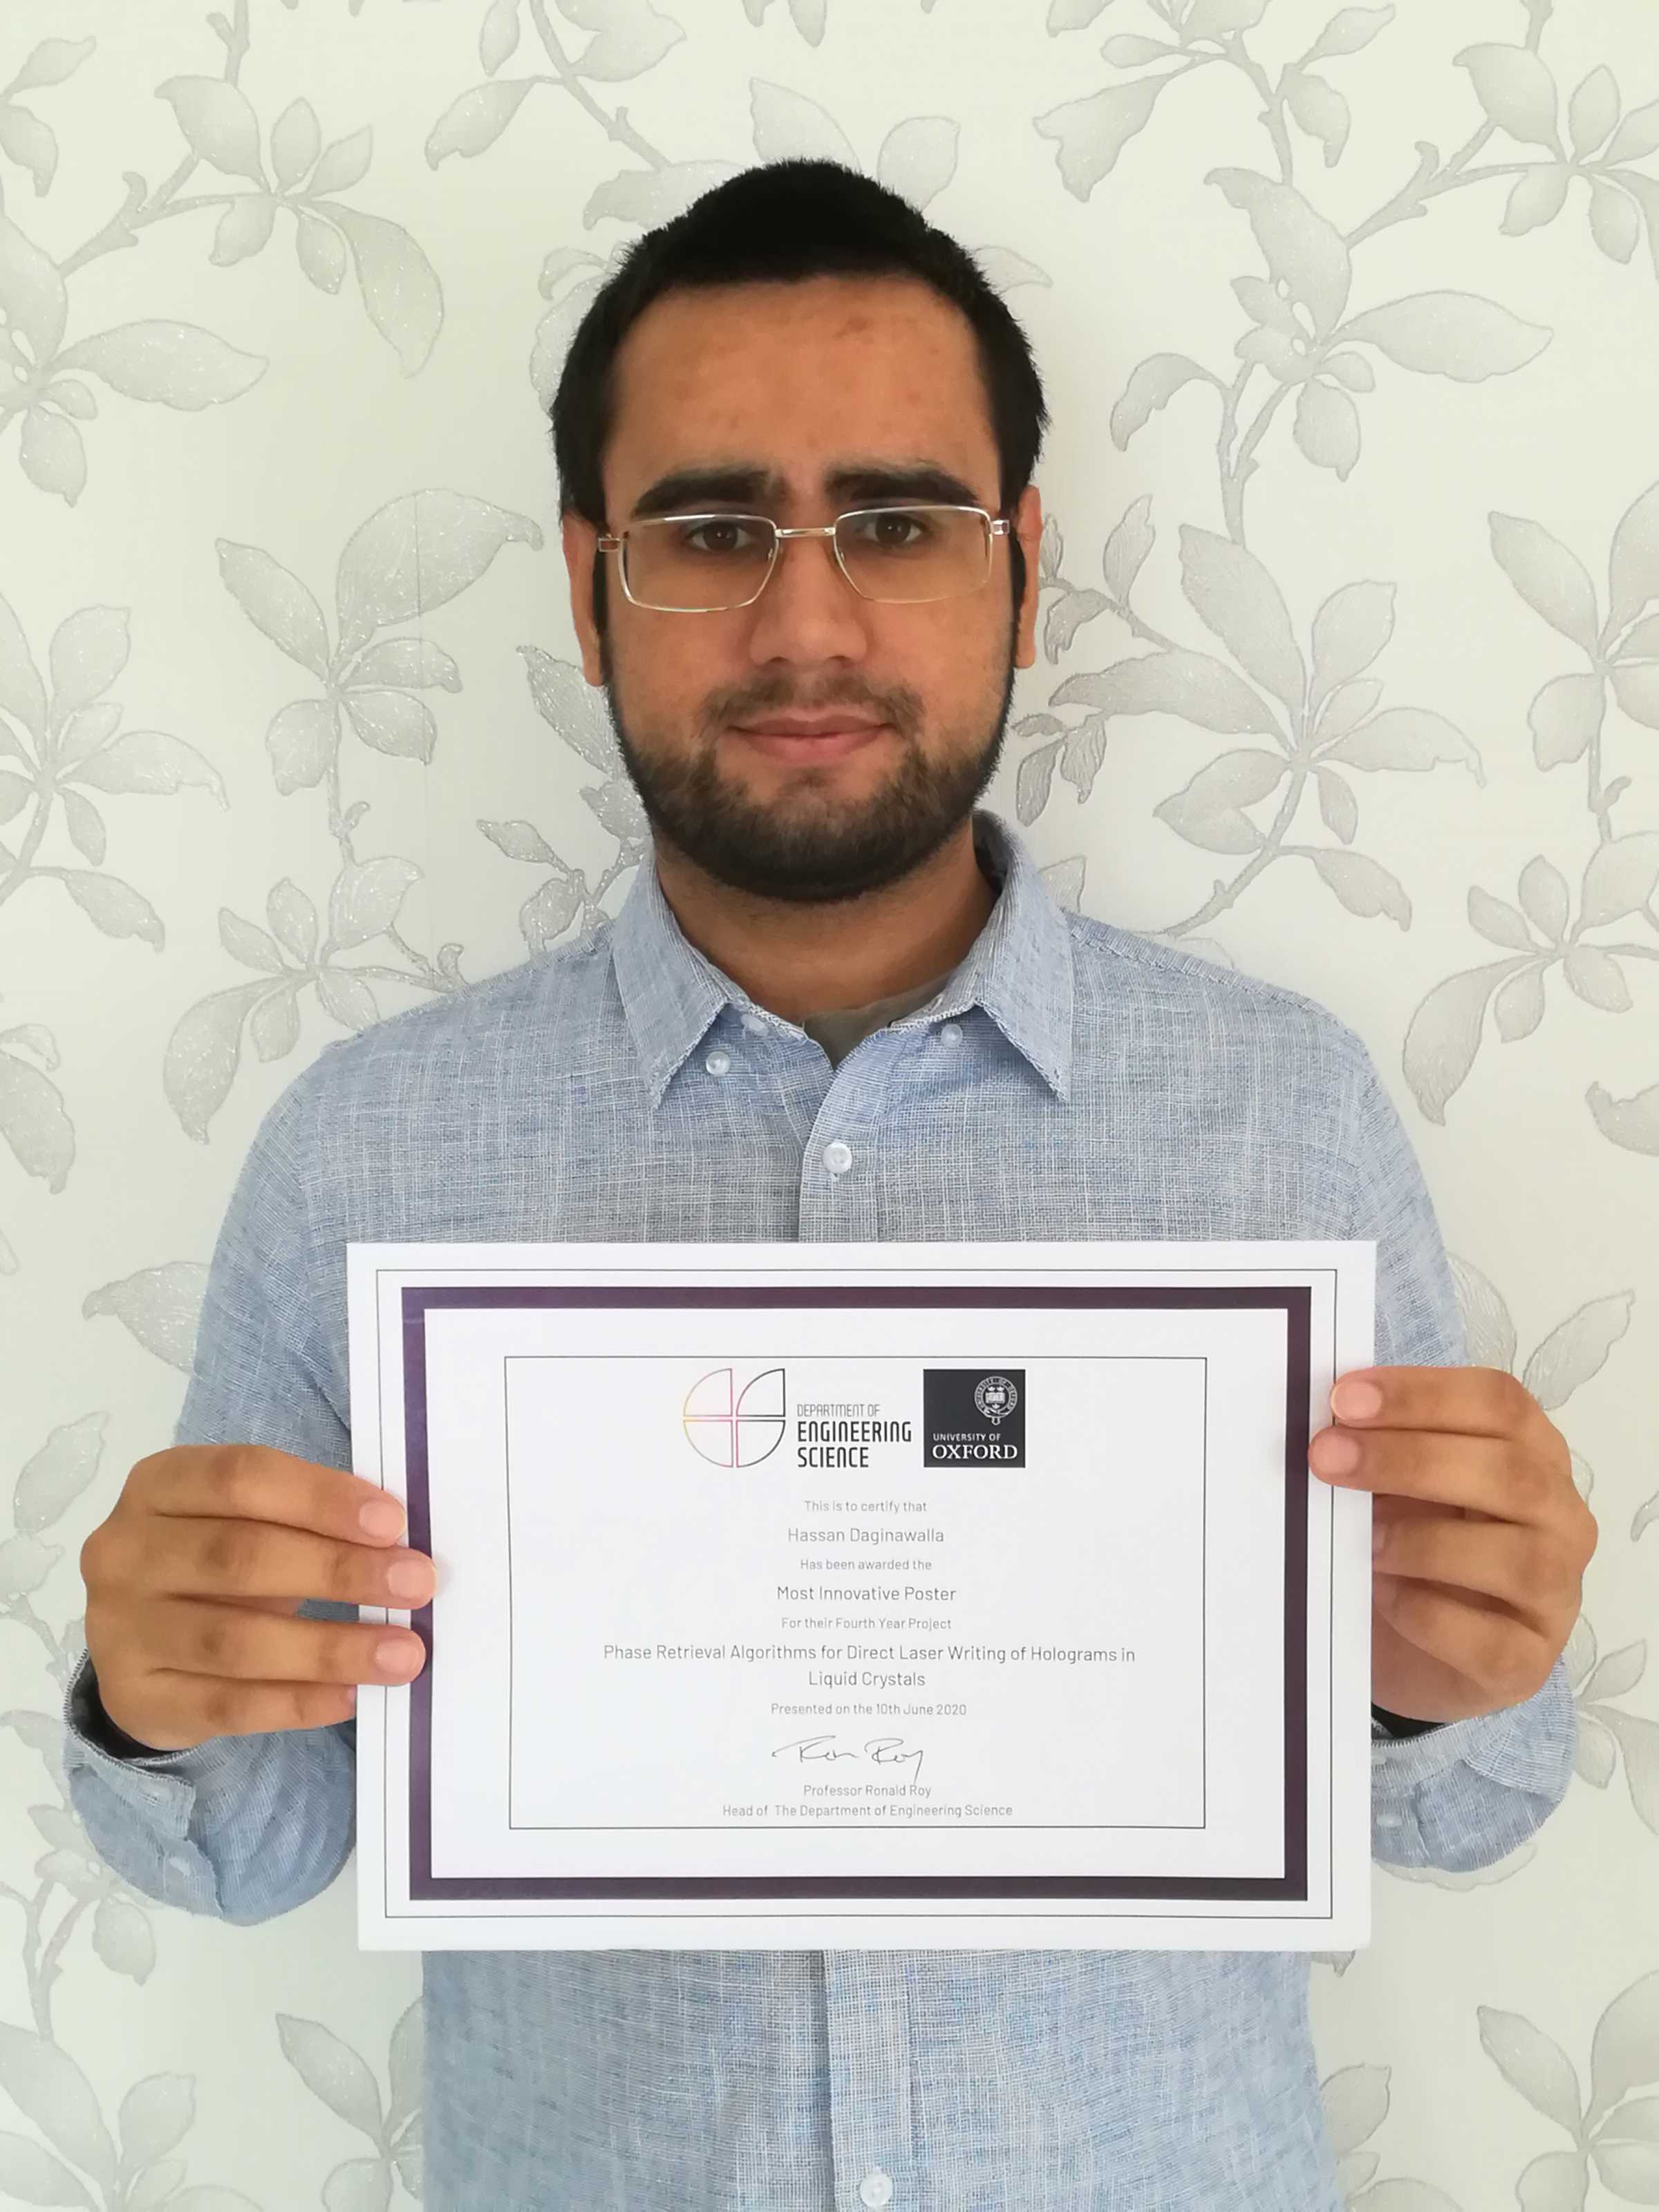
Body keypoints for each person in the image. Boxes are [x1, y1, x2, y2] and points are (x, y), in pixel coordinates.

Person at [66, 158, 1594, 2211]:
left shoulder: (1281, 1119)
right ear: (590, 587)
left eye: (896, 523)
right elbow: (251, 1842)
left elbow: (1467, 1806)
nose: (807, 623)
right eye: (712, 533)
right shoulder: (368, 1151)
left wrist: (1447, 1669)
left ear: (1023, 572)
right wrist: (153, 1699)